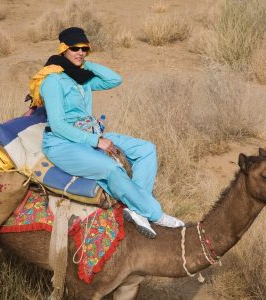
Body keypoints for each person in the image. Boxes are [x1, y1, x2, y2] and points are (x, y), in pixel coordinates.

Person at [33, 27, 184, 238]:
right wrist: (96, 141)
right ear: (63, 49)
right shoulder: (53, 80)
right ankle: (154, 214)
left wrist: (83, 64)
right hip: (62, 144)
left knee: (146, 149)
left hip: (90, 136)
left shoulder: (81, 77)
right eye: (75, 49)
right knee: (112, 169)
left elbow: (115, 79)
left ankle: (137, 207)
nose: (80, 52)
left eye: (84, 49)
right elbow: (58, 125)